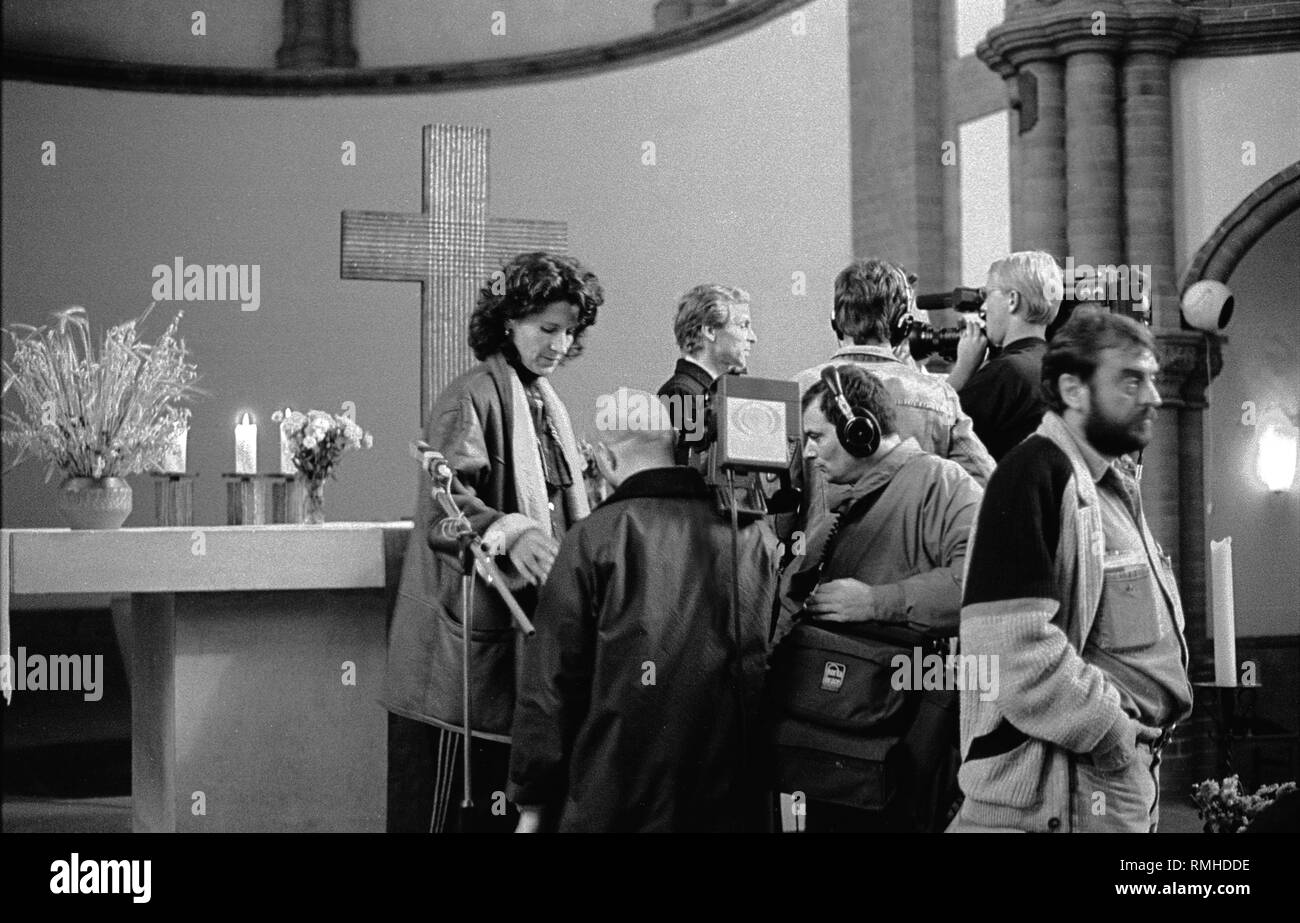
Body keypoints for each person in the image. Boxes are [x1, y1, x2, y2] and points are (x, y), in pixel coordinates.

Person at [384, 251, 604, 833]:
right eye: (546, 329)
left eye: (569, 332)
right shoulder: (473, 395)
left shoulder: (544, 403)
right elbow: (445, 504)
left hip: (512, 653)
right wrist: (513, 530)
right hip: (459, 667)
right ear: (508, 321)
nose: (559, 344)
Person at [949, 308, 1192, 833]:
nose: (1152, 396)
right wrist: (1113, 735)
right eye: (1131, 380)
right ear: (1073, 390)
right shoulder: (1031, 475)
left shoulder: (1106, 482)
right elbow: (1013, 651)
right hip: (1063, 789)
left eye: (1152, 378)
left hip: (1110, 780)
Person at [508, 388, 778, 832]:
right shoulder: (754, 537)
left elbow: (551, 683)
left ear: (606, 460)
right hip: (729, 801)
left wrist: (532, 801)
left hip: (610, 800)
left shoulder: (593, 539)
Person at [769, 365, 982, 832]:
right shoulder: (840, 500)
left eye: (816, 436)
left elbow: (981, 585)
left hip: (894, 741)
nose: (808, 451)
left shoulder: (944, 485)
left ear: (858, 429)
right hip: (826, 745)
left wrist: (876, 603)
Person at [790, 259, 993, 533]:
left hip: (821, 568)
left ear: (835, 321)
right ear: (903, 324)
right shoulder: (937, 395)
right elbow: (987, 486)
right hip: (914, 568)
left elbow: (772, 499)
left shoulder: (798, 389)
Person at [946, 251, 1063, 460]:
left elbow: (935, 434)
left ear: (1012, 300)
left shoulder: (1007, 372)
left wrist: (963, 369)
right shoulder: (1059, 366)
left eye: (988, 295)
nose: (982, 307)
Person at [657, 283, 755, 464]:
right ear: (710, 331)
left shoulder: (705, 392)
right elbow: (689, 472)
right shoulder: (678, 394)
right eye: (743, 326)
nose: (752, 337)